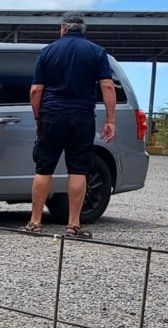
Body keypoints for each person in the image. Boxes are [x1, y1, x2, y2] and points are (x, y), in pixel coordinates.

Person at [25, 14, 116, 238]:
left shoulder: (48, 51)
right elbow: (107, 85)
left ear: (63, 28)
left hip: (52, 115)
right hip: (82, 116)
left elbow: (36, 90)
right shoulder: (97, 52)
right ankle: (73, 224)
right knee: (78, 169)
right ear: (83, 29)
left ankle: (35, 222)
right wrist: (110, 120)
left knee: (43, 168)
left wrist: (38, 117)